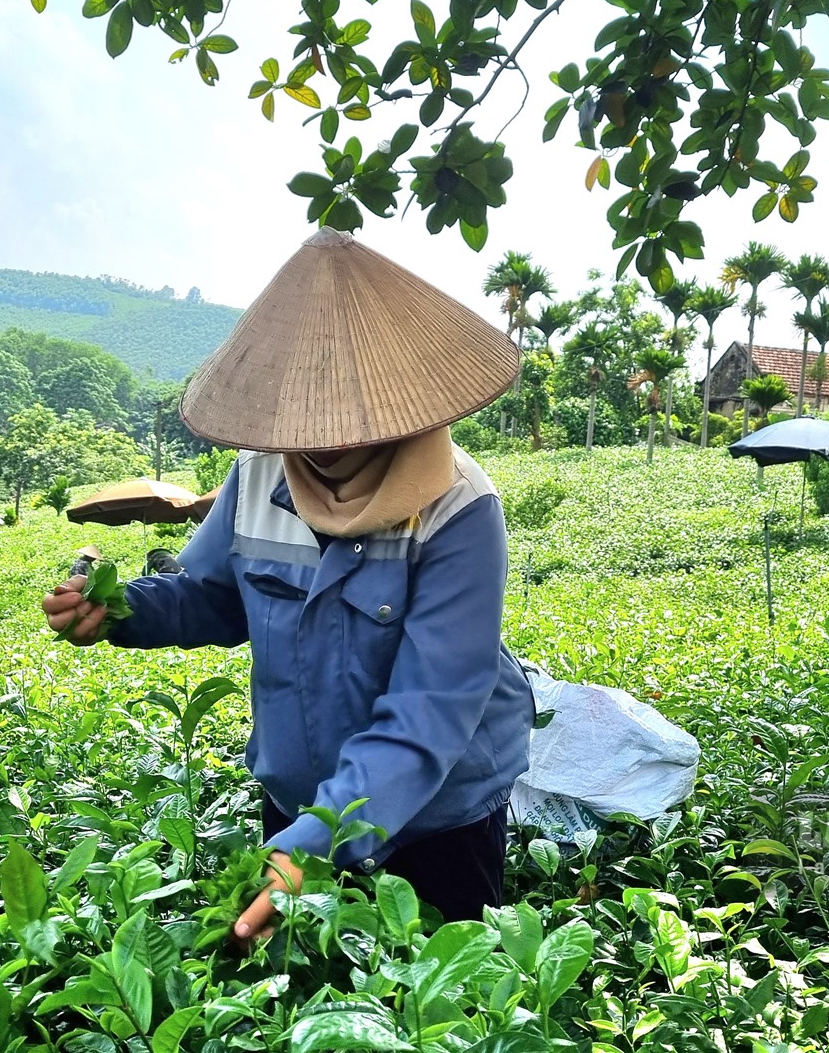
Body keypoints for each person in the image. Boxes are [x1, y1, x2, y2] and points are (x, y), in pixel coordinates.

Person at [42, 228, 533, 938]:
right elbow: (211, 596)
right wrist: (119, 611)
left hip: (435, 816)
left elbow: (430, 707)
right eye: (306, 416)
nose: (324, 442)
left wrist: (318, 845)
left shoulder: (459, 509)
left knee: (438, 998)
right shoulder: (258, 476)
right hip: (300, 809)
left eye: (349, 414)